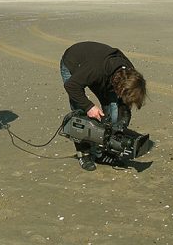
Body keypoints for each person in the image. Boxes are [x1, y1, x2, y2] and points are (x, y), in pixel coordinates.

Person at [60, 41, 147, 171]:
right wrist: (89, 107)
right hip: (73, 62)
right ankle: (84, 154)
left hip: (99, 70)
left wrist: (120, 125)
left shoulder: (130, 73)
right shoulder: (95, 70)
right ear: (118, 87)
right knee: (80, 113)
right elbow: (71, 86)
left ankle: (104, 151)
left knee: (114, 110)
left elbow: (123, 102)